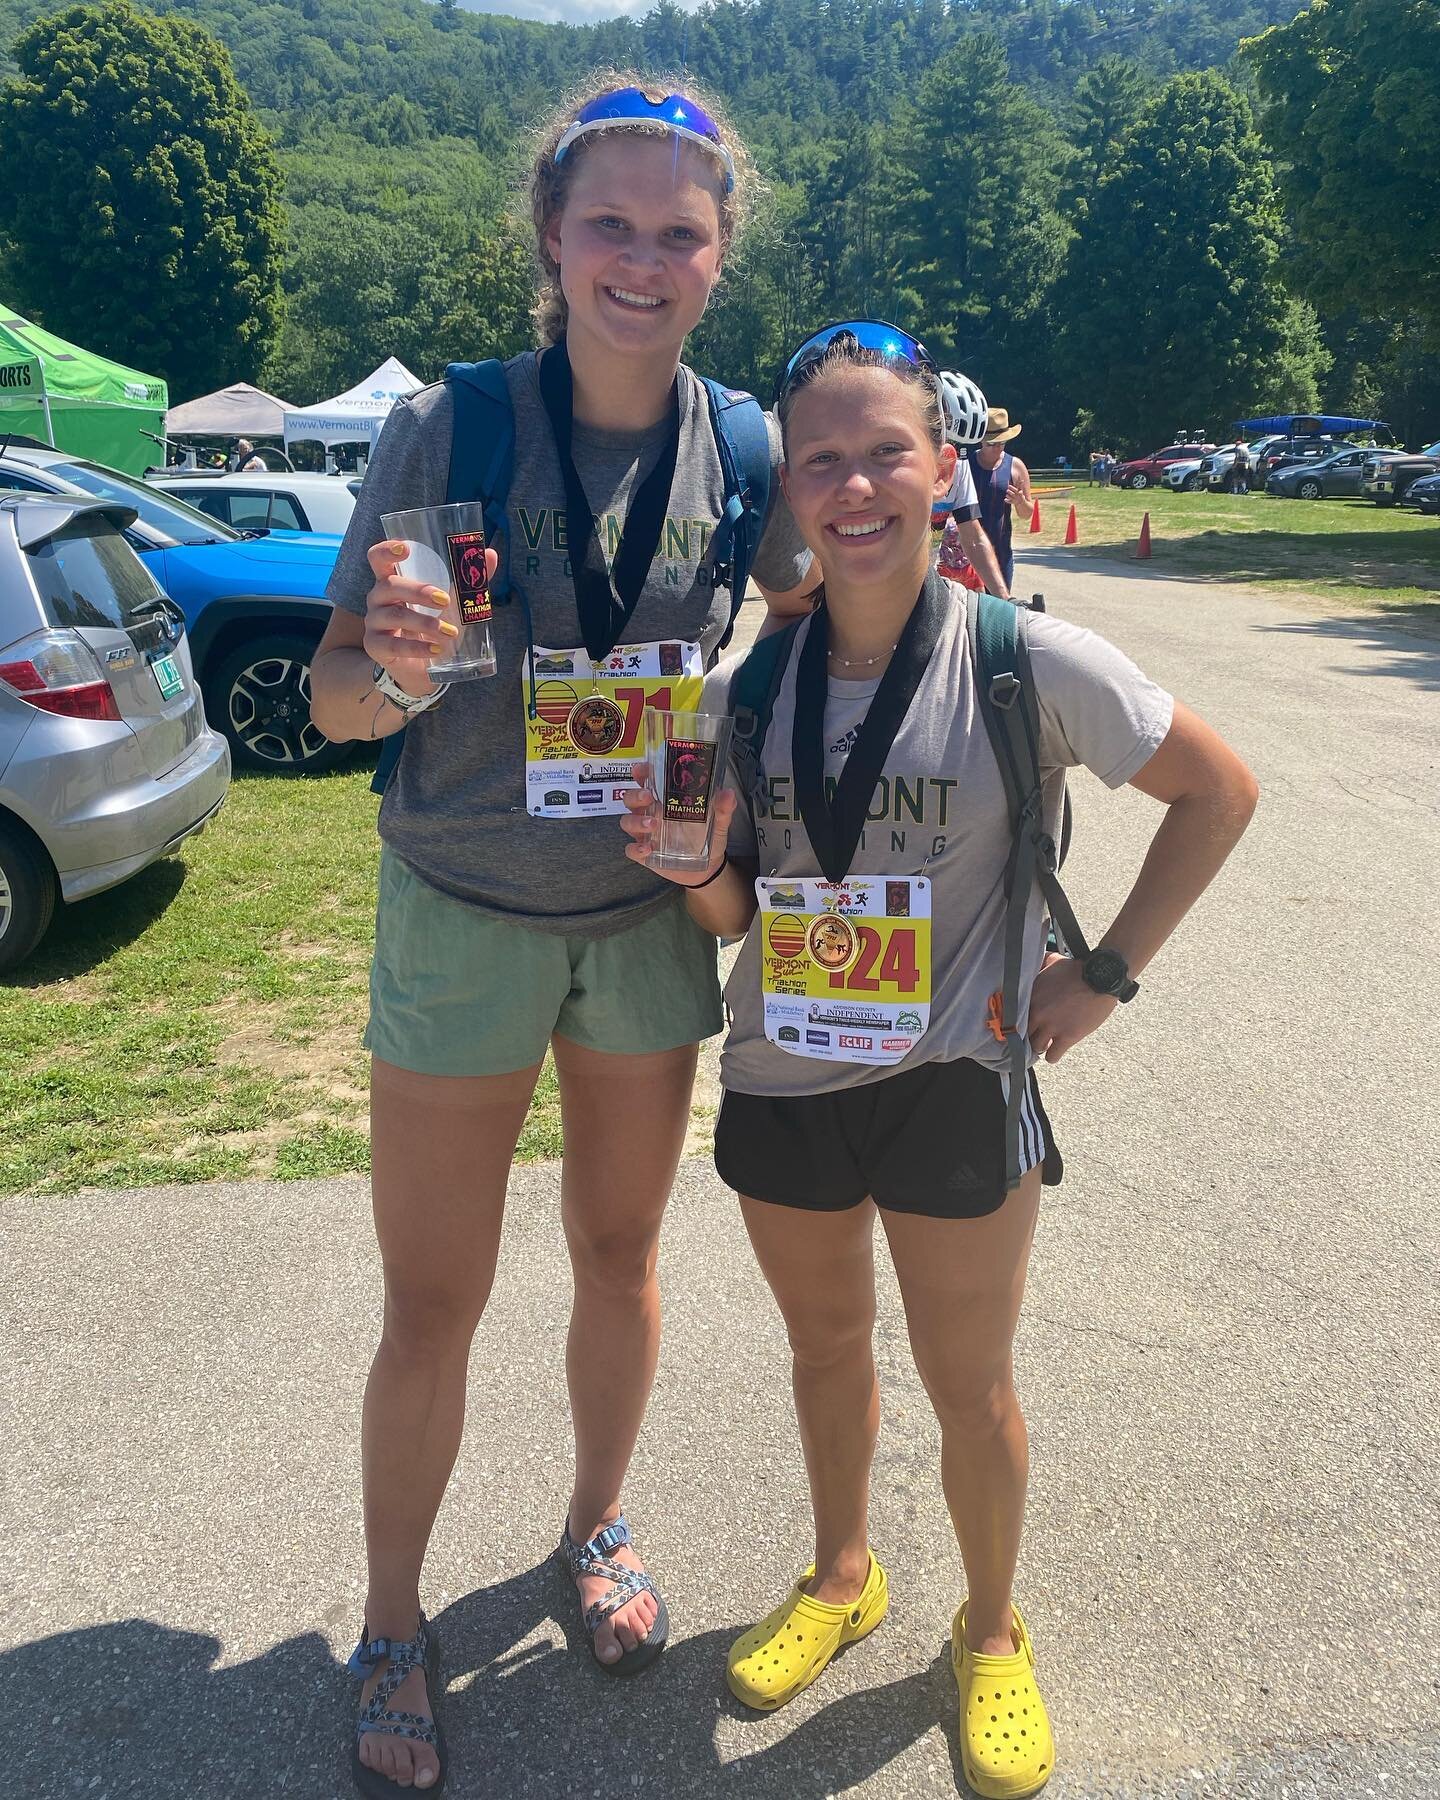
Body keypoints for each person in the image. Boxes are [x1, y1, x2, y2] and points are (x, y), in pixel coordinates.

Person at [622, 322, 1257, 1798]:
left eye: (884, 452)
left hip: (954, 1087)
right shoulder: (749, 684)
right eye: (820, 459)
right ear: (791, 486)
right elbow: (742, 904)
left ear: (943, 465)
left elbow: (1218, 791)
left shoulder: (1023, 655)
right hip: (784, 1078)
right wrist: (683, 869)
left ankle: (989, 1632)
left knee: (971, 1391)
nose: (852, 486)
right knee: (824, 1351)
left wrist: (1101, 974)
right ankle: (846, 1576)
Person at [308, 75, 812, 1798]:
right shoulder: (447, 429)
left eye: (680, 233)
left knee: (620, 1258)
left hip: (642, 926)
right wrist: (392, 665)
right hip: (462, 907)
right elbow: (333, 702)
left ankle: (596, 1528)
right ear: (549, 232)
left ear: (718, 257)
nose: (641, 260)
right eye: (610, 221)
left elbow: (818, 615)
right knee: (431, 1300)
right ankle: (393, 1619)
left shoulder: (746, 447)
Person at [932, 368, 1010, 597]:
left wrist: (1004, 597)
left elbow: (973, 536)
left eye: (960, 448)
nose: (953, 455)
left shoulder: (960, 461)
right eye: (949, 443)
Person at [969, 407, 1035, 596]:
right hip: (967, 554)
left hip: (1001, 553)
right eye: (992, 444)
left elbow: (1027, 514)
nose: (998, 448)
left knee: (999, 610)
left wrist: (1020, 502)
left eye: (1002, 443)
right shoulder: (966, 465)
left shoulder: (1015, 466)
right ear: (981, 440)